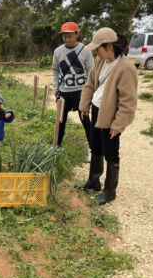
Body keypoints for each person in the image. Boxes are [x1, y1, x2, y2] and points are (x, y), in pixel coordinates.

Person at [77, 27, 137, 205]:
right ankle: (93, 181)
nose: (96, 51)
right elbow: (90, 83)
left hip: (110, 115)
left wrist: (118, 125)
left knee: (111, 152)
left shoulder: (126, 68)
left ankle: (110, 191)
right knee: (95, 146)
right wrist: (84, 105)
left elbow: (128, 101)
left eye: (99, 48)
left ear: (109, 46)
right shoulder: (100, 60)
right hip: (96, 109)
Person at [52, 22, 94, 148]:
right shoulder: (58, 51)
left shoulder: (86, 50)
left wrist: (91, 90)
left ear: (77, 34)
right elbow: (55, 70)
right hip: (64, 92)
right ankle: (56, 147)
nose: (67, 39)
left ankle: (92, 149)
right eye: (65, 36)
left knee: (85, 120)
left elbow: (91, 71)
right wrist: (55, 86)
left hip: (81, 91)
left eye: (70, 36)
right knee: (60, 121)